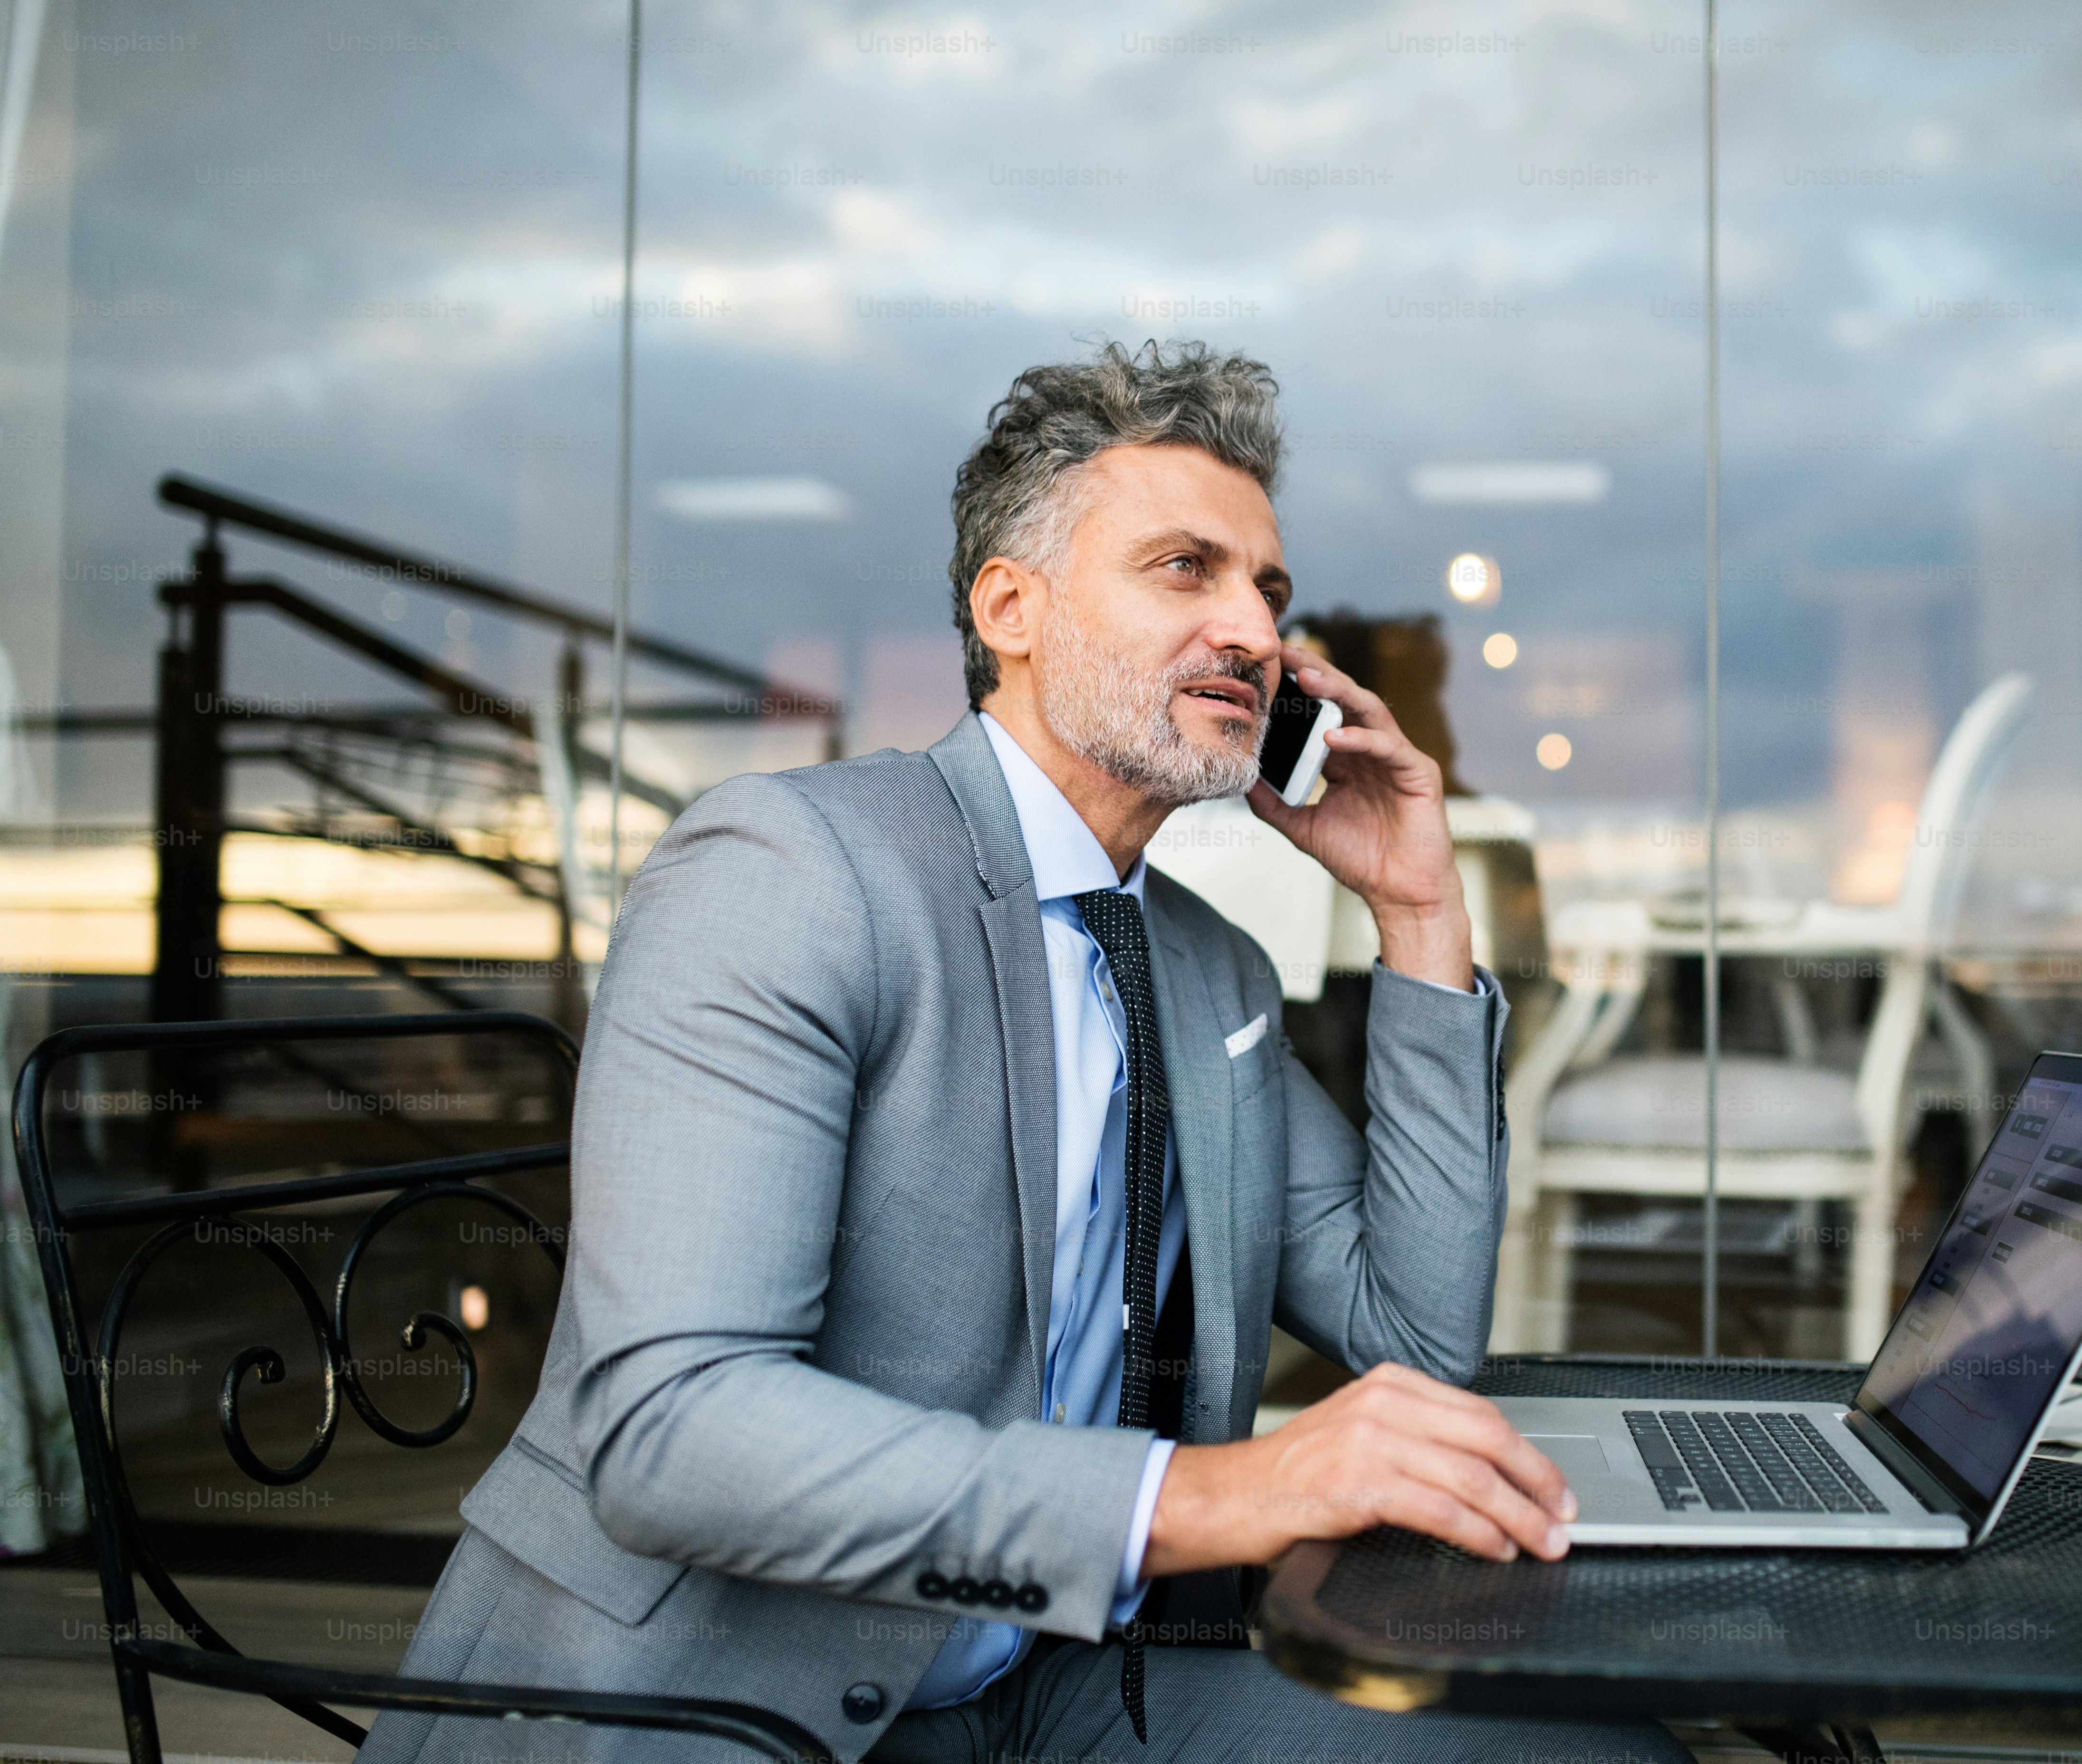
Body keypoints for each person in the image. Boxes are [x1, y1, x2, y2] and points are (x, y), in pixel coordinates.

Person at [359, 341, 1689, 1764]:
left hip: (1051, 1696)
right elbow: (672, 1434)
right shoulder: (791, 874)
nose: (1252, 627)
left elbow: (1415, 1341)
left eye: (1270, 591)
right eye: (1186, 569)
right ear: (1013, 608)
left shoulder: (1207, 966)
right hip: (720, 1701)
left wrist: (1418, 912)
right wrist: (1208, 1498)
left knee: (1589, 1754)